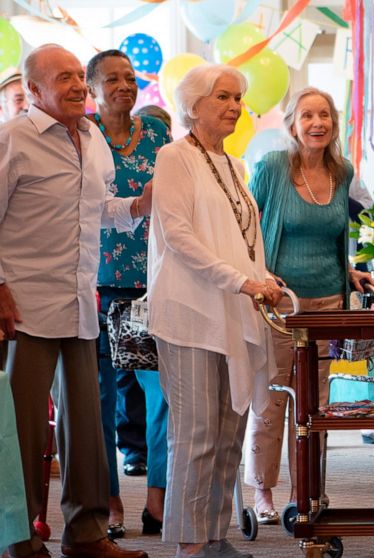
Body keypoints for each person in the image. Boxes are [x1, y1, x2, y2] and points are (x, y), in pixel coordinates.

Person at [1, 43, 151, 558]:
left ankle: (86, 534)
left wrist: (137, 205)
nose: (76, 86)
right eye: (62, 77)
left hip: (81, 303)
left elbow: (97, 208)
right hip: (24, 308)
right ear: (34, 89)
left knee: (86, 427)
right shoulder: (13, 139)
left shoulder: (91, 136)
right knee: (21, 432)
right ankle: (18, 540)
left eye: (77, 77)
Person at [148, 63, 281, 558]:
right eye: (222, 97)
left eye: (238, 97)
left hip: (234, 311)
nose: (234, 106)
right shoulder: (174, 156)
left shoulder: (235, 165)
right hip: (190, 313)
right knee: (197, 432)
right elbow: (178, 236)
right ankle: (189, 543)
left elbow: (241, 238)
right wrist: (241, 280)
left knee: (229, 431)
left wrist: (262, 276)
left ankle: (215, 535)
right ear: (193, 106)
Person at [244, 86, 370, 524]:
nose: (318, 123)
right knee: (272, 396)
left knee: (315, 404)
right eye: (308, 115)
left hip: (329, 301)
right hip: (280, 302)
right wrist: (259, 275)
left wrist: (349, 271)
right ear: (293, 125)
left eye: (325, 115)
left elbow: (335, 236)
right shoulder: (273, 167)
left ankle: (306, 489)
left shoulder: (342, 170)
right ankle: (262, 490)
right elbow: (248, 229)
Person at [85, 48, 171, 540]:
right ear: (92, 88)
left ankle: (157, 499)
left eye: (130, 78)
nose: (124, 86)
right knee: (98, 400)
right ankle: (109, 501)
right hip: (97, 284)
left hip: (153, 285)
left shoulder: (156, 133)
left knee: (161, 397)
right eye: (112, 79)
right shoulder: (82, 134)